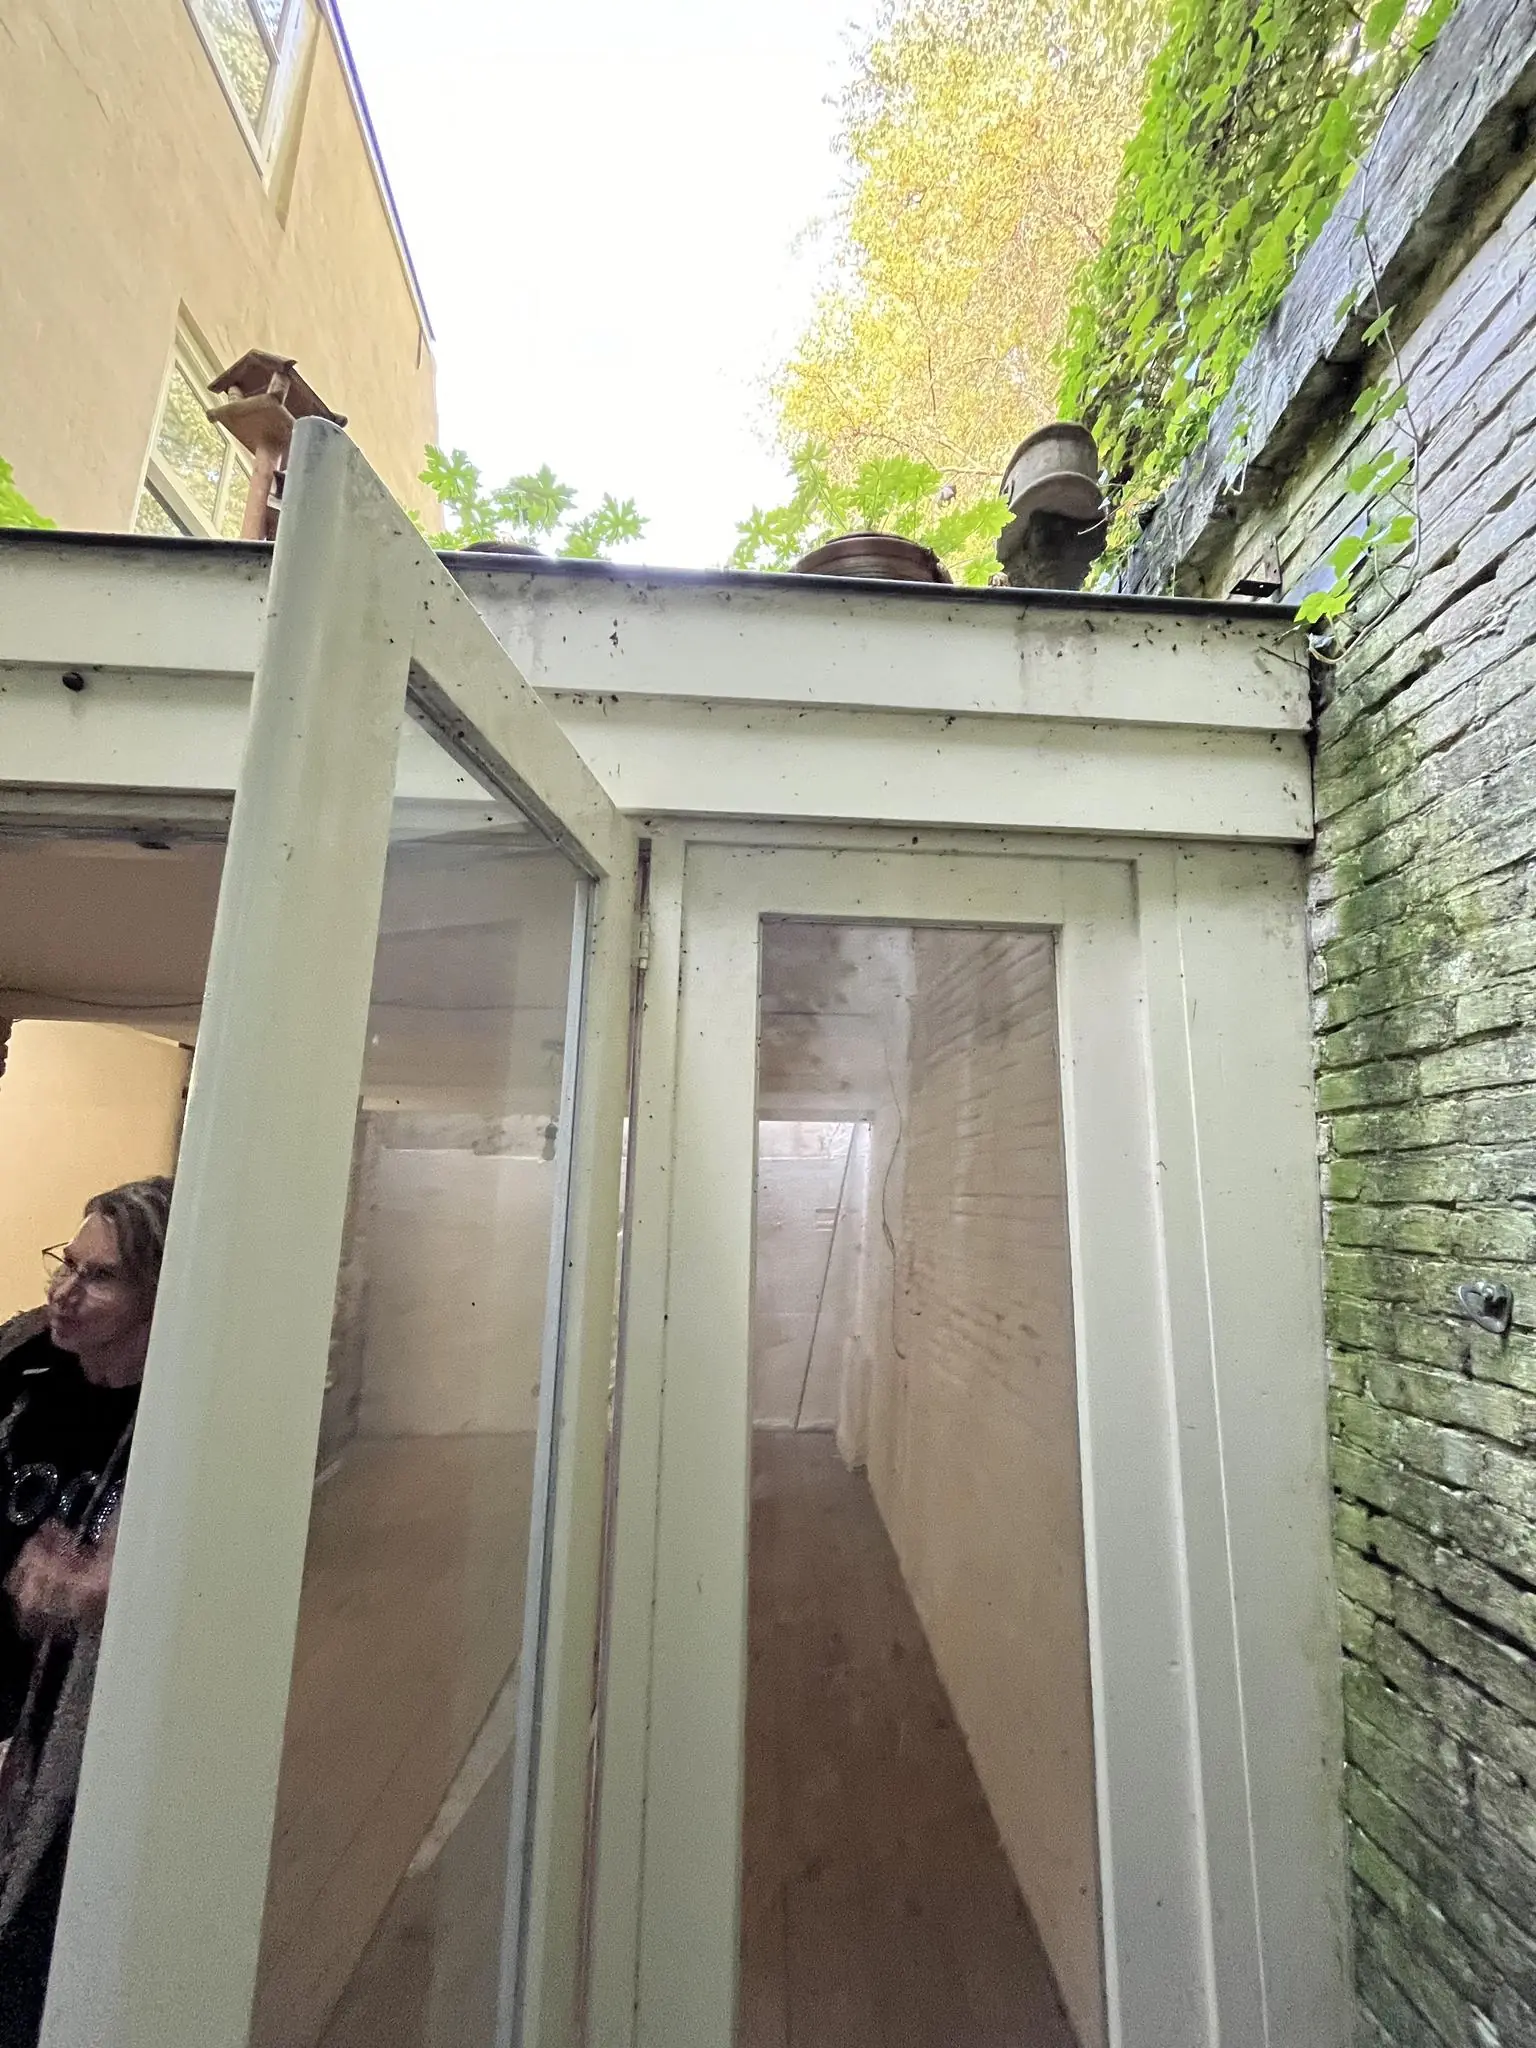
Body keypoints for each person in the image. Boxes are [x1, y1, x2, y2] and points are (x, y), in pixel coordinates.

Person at [0, 1177, 172, 2047]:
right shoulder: (19, 1363)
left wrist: (118, 1588)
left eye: (100, 1278)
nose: (64, 1292)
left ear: (159, 1294)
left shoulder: (184, 1425)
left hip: (66, 1747)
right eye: (65, 1264)